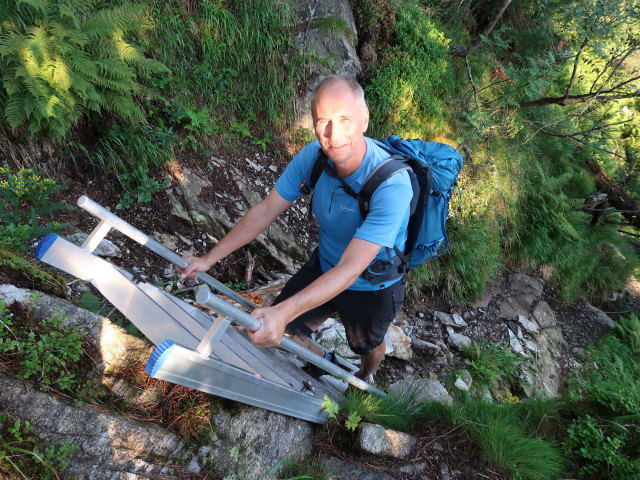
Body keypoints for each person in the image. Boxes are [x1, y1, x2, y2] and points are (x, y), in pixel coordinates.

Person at [178, 75, 413, 382]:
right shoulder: (313, 158)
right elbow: (265, 211)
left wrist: (282, 311)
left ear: (364, 119)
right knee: (283, 328)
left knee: (366, 345)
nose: (333, 133)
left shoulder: (392, 185)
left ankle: (366, 374)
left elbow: (351, 269)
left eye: (344, 119)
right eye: (323, 121)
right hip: (326, 263)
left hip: (372, 285)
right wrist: (208, 259)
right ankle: (322, 360)